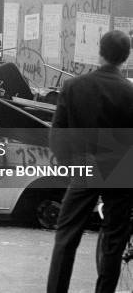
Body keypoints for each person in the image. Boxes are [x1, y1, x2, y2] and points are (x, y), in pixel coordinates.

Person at [47, 30, 133, 293]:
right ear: (126, 58)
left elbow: (57, 134)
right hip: (121, 170)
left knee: (66, 237)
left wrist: (68, 166)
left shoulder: (74, 87)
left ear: (100, 52)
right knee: (114, 242)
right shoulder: (130, 92)